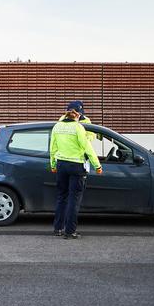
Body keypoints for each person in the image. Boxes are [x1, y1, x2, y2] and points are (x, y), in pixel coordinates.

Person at [50, 102, 103, 239]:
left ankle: (58, 228)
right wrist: (97, 165)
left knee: (62, 197)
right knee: (74, 199)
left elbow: (53, 148)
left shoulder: (57, 126)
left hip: (61, 164)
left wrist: (53, 164)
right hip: (76, 166)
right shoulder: (78, 128)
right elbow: (87, 148)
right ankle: (70, 231)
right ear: (78, 115)